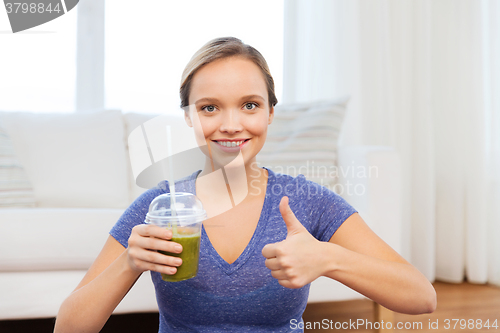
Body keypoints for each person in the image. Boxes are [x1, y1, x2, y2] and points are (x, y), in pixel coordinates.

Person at [54, 37, 436, 333]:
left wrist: (328, 258)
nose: (231, 124)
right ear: (189, 117)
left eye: (250, 105)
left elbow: (422, 296)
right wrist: (129, 262)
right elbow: (68, 326)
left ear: (271, 112)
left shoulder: (307, 202)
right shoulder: (160, 207)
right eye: (209, 107)